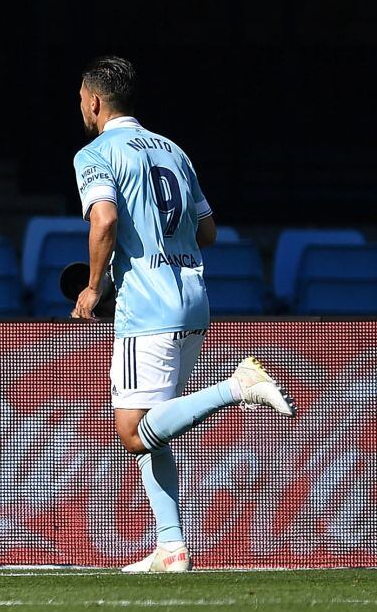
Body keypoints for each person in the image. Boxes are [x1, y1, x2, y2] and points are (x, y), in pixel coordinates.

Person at [70, 55, 295, 572]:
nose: (81, 107)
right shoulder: (175, 150)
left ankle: (237, 386)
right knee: (154, 428)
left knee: (132, 429)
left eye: (81, 99)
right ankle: (171, 547)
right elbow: (208, 231)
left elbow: (103, 219)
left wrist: (94, 284)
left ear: (96, 101)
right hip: (193, 296)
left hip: (147, 305)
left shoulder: (96, 153)